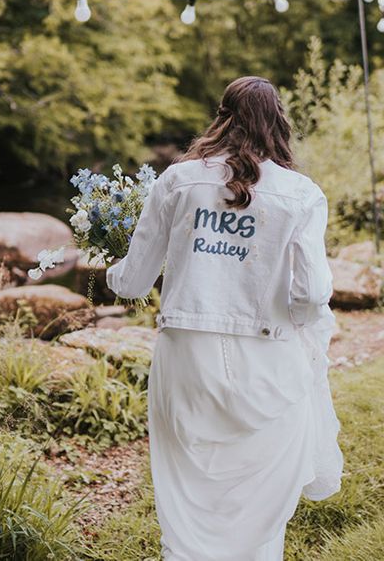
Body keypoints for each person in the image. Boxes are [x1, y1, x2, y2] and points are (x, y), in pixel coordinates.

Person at [106, 75, 344, 561]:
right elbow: (314, 291)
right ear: (279, 121)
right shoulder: (301, 193)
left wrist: (110, 268)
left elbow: (132, 283)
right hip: (267, 356)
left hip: (186, 357)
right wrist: (294, 315)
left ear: (222, 116)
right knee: (258, 494)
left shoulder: (178, 179)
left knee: (187, 485)